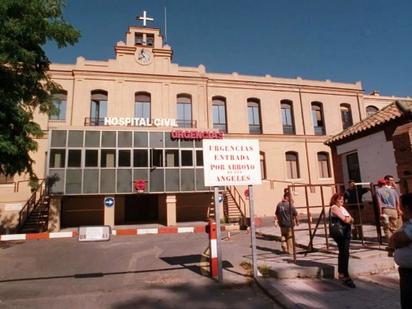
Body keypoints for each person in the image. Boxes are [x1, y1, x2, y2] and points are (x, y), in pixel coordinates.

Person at [389, 193, 412, 309]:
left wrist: (396, 239)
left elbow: (398, 239)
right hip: (406, 272)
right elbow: (393, 240)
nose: (399, 208)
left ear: (407, 207)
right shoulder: (407, 223)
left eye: (401, 205)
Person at [329, 192, 356, 288]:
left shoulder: (342, 208)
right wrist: (348, 218)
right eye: (340, 199)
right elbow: (345, 219)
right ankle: (345, 275)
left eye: (342, 199)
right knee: (344, 252)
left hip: (346, 232)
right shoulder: (334, 208)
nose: (342, 201)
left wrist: (349, 218)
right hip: (341, 233)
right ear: (335, 200)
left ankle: (342, 273)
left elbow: (351, 219)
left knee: (344, 252)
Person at [376, 177, 402, 248]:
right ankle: (397, 244)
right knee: (394, 228)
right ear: (385, 183)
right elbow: (397, 200)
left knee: (386, 228)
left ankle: (391, 245)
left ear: (379, 184)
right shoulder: (393, 190)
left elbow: (379, 203)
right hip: (394, 210)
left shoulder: (378, 190)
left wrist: (380, 213)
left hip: (385, 210)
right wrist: (398, 209)